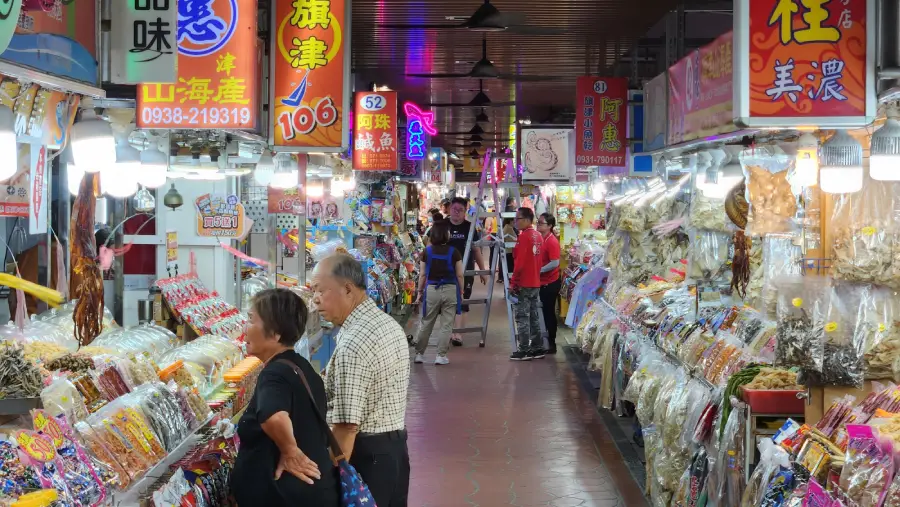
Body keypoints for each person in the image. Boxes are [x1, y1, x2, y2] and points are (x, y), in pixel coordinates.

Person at [312, 254, 411, 507]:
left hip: (368, 457)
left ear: (347, 289)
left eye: (321, 290)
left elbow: (346, 428)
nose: (315, 299)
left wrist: (329, 478)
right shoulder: (386, 323)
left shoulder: (354, 345)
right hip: (394, 451)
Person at [231, 289, 339, 506]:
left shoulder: (274, 375)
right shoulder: (301, 367)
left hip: (285, 497)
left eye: (251, 320)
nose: (245, 327)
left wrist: (290, 451)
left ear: (275, 334)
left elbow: (274, 416)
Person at [413, 220, 463, 365]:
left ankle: (419, 354)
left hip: (432, 290)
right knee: (446, 324)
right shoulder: (454, 252)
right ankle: (441, 356)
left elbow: (422, 275)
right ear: (446, 234)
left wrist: (419, 292)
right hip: (450, 289)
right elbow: (459, 274)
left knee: (427, 322)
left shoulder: (426, 252)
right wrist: (461, 290)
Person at [447, 196, 488, 346]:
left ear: (466, 211)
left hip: (466, 272)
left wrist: (482, 271)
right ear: (449, 208)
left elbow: (476, 251)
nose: (456, 213)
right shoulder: (442, 225)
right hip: (445, 272)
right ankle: (450, 331)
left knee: (463, 302)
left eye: (460, 210)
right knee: (449, 303)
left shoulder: (470, 228)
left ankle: (458, 334)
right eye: (454, 209)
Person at [510, 207, 544, 361]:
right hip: (535, 282)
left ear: (527, 220)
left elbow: (520, 264)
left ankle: (524, 349)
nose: (516, 222)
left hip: (524, 282)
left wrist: (514, 282)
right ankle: (537, 347)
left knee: (522, 317)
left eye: (518, 219)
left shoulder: (524, 237)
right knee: (534, 316)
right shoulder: (538, 236)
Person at [537, 213, 561, 355]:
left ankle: (551, 343)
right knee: (543, 312)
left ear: (550, 226)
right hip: (542, 282)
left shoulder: (551, 241)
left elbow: (555, 262)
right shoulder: (541, 238)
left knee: (548, 313)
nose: (539, 224)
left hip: (550, 283)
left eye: (541, 223)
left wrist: (539, 270)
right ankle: (544, 340)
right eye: (538, 222)